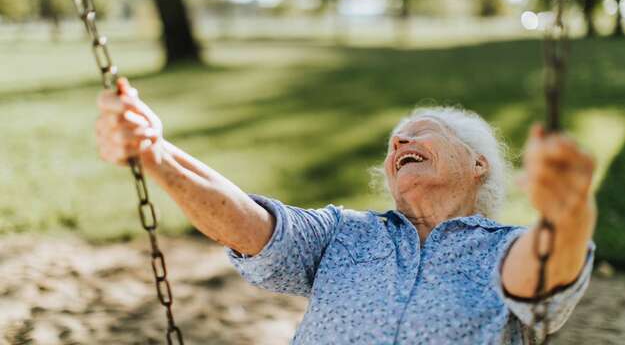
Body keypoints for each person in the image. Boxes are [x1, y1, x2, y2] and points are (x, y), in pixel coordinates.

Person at [96, 78, 596, 344]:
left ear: (478, 164)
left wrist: (568, 212)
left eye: (422, 131)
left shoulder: (502, 248)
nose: (400, 139)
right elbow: (252, 226)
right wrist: (155, 152)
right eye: (393, 141)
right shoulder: (345, 233)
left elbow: (547, 270)